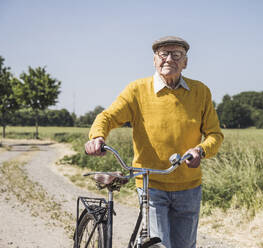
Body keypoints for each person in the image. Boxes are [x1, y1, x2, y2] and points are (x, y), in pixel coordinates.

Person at [85, 36, 223, 248]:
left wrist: (200, 150)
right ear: (154, 60)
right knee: (159, 245)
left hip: (189, 187)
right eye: (163, 54)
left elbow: (215, 134)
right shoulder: (137, 90)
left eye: (176, 55)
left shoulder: (201, 91)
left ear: (185, 62)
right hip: (151, 185)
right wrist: (97, 136)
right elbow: (108, 117)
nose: (169, 59)